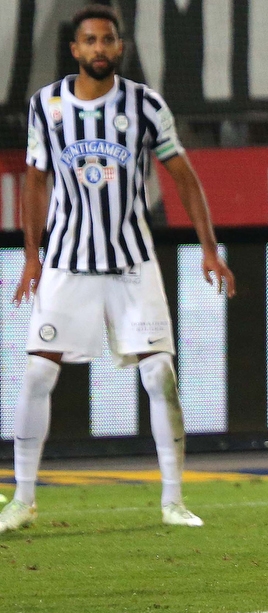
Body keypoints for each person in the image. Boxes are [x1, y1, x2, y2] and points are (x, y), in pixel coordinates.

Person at [0, 5, 235, 534]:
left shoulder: (146, 106)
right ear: (75, 49)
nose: (100, 49)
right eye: (90, 41)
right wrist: (32, 256)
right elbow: (35, 182)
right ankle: (23, 499)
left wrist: (209, 249)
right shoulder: (47, 105)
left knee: (160, 376)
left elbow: (185, 177)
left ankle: (174, 500)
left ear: (119, 47)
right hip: (66, 262)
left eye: (108, 40)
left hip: (132, 263)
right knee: (37, 372)